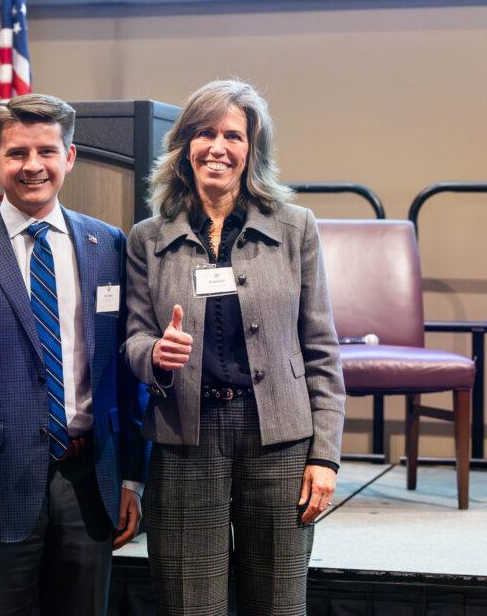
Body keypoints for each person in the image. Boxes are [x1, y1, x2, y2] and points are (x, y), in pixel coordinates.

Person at [0, 93, 149, 616]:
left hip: (91, 480)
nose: (33, 165)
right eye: (18, 153)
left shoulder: (107, 244)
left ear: (69, 157)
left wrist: (133, 475)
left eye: (47, 150)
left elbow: (123, 376)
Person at [124, 80, 346, 615]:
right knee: (188, 602)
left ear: (252, 150)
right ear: (184, 147)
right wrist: (155, 354)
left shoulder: (297, 229)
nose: (218, 147)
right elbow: (132, 338)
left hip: (279, 439)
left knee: (277, 602)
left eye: (233, 135)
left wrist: (325, 456)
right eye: (204, 133)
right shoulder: (148, 238)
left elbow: (321, 348)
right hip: (185, 440)